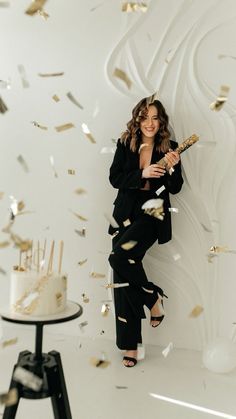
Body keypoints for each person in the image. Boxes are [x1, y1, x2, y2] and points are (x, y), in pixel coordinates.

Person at [108, 96, 183, 367]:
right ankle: (132, 346)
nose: (150, 123)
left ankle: (152, 298)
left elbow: (175, 188)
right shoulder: (125, 144)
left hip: (152, 214)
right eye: (145, 117)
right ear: (137, 119)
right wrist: (143, 173)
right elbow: (115, 177)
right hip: (125, 214)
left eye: (155, 118)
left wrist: (171, 166)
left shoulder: (170, 147)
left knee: (118, 258)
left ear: (160, 121)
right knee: (122, 275)